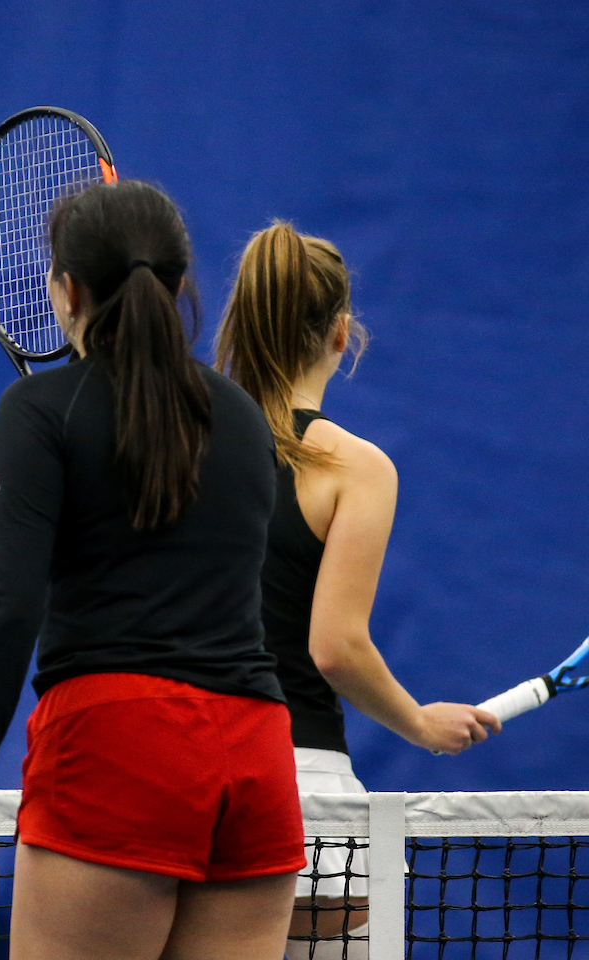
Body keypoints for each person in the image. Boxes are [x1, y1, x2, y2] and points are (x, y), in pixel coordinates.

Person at [0, 181, 306, 960]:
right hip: (256, 758)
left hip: (118, 747)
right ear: (179, 284)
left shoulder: (38, 409)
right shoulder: (244, 416)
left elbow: (9, 607)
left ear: (67, 290)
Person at [214, 221, 501, 959]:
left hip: (185, 790)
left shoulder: (175, 446)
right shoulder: (357, 468)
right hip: (304, 799)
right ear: (342, 335)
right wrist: (419, 725)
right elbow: (335, 646)